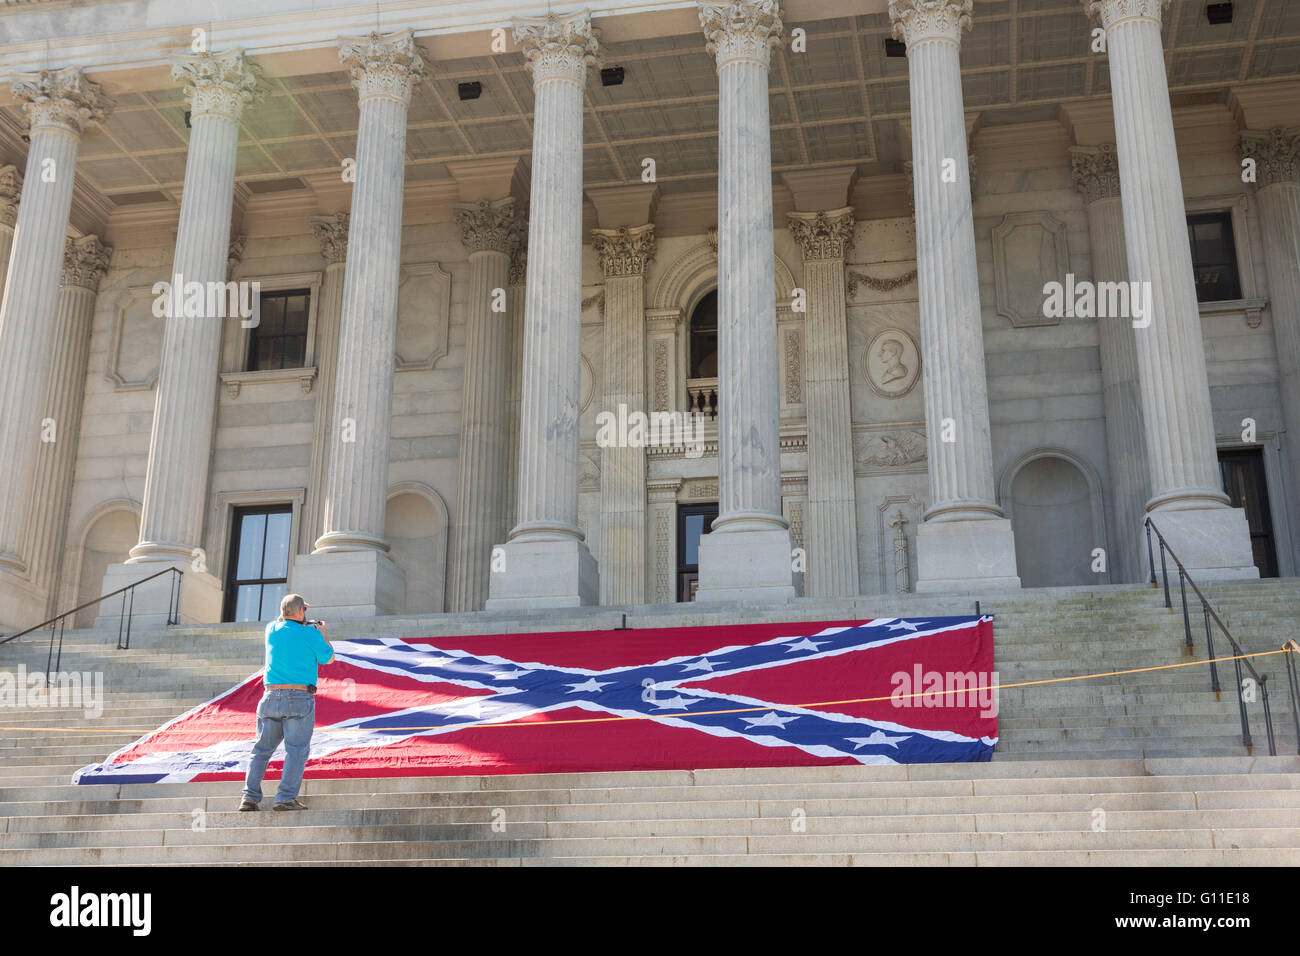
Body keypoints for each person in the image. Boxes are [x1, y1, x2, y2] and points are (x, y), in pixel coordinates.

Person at [238, 593, 333, 811]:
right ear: (301, 612)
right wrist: (322, 634)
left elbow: (283, 621)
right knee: (296, 750)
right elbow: (329, 658)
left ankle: (249, 797)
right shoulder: (311, 633)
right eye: (303, 610)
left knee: (261, 750)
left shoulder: (271, 629)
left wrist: (292, 612)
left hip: (270, 697)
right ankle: (285, 798)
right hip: (299, 697)